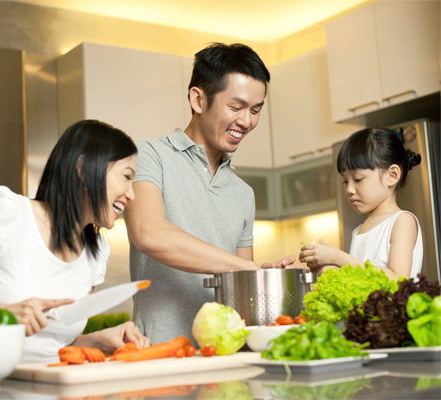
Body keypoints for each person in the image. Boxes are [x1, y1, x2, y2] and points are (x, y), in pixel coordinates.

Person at [123, 43, 300, 345]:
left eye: (255, 110)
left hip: (223, 355)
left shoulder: (243, 193)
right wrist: (245, 266)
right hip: (157, 351)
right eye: (236, 107)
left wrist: (261, 275)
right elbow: (148, 233)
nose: (246, 121)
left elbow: (240, 285)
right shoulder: (148, 155)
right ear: (198, 99)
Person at [0, 120, 150, 363]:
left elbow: (56, 345)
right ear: (83, 169)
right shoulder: (7, 213)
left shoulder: (96, 253)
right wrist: (4, 311)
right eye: (126, 176)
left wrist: (99, 340)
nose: (131, 194)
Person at [299, 127, 423, 280]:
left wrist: (338, 257)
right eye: (345, 181)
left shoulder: (402, 221)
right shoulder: (358, 232)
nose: (349, 190)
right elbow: (361, 279)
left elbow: (398, 279)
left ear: (392, 175)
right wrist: (328, 267)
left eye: (357, 179)